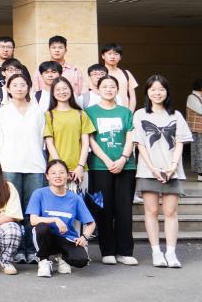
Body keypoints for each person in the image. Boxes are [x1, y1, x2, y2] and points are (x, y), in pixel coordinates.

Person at [133, 75, 192, 268]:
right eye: (153, 89)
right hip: (148, 169)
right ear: (147, 92)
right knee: (151, 211)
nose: (157, 93)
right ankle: (156, 252)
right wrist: (152, 168)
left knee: (171, 212)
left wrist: (173, 166)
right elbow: (140, 144)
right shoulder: (140, 114)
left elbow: (180, 142)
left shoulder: (176, 115)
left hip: (171, 170)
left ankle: (171, 253)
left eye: (161, 89)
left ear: (167, 92)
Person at [0, 72, 46, 263]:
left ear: (29, 87)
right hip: (10, 165)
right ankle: (17, 249)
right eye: (15, 85)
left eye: (23, 85)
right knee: (13, 209)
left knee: (33, 210)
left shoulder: (37, 111)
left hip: (35, 165)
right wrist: (5, 159)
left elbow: (42, 138)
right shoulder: (4, 112)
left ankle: (32, 249)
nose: (19, 88)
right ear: (8, 89)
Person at [86, 75, 138, 265]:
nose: (109, 89)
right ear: (98, 90)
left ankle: (125, 251)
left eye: (112, 87)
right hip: (99, 167)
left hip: (126, 166)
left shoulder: (126, 112)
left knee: (124, 209)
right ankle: (107, 251)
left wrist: (123, 158)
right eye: (105, 86)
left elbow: (131, 137)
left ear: (117, 89)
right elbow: (90, 140)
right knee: (102, 208)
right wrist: (108, 161)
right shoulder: (90, 112)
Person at [27, 159, 96, 277]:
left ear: (68, 176)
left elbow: (91, 223)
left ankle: (62, 257)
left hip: (66, 238)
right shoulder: (39, 193)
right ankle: (43, 261)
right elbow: (33, 220)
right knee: (42, 227)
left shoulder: (75, 198)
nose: (58, 176)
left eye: (61, 172)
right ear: (47, 176)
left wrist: (84, 237)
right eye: (53, 173)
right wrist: (55, 219)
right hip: (47, 237)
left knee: (81, 260)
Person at [44, 76, 95, 194]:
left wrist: (80, 166)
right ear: (53, 93)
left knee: (79, 201)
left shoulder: (81, 114)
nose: (62, 92)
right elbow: (49, 143)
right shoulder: (48, 115)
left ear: (71, 90)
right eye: (58, 89)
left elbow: (85, 143)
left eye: (65, 88)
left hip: (79, 168)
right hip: (56, 170)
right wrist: (61, 169)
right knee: (58, 202)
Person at [101, 43, 138, 111]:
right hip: (103, 111)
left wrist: (130, 113)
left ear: (120, 57)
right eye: (109, 53)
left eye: (116, 54)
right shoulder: (99, 74)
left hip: (124, 112)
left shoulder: (126, 73)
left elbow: (132, 97)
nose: (113, 56)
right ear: (103, 56)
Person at [186, 79, 202, 180]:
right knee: (199, 152)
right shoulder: (192, 97)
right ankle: (200, 174)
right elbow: (200, 110)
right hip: (197, 130)